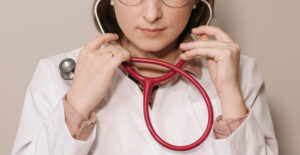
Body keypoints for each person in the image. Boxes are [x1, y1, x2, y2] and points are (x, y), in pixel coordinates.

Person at [12, 0, 278, 154]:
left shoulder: (241, 73)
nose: (152, 14)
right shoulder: (55, 73)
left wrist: (229, 96)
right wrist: (77, 105)